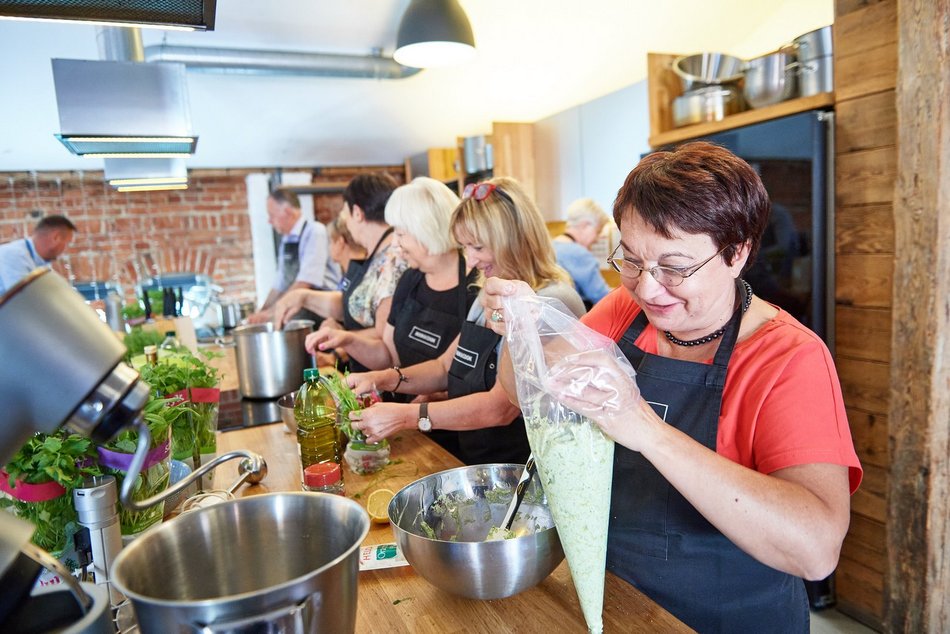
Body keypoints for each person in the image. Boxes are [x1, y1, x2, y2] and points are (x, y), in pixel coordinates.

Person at [483, 142, 862, 632]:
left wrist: (645, 428)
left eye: (676, 267)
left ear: (737, 253)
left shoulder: (789, 359)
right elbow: (525, 390)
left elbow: (816, 551)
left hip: (726, 618)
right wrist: (521, 331)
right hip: (617, 600)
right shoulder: (625, 314)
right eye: (632, 260)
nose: (647, 288)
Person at [345, 177, 585, 466]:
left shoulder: (551, 300)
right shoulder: (489, 290)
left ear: (513, 240)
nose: (470, 262)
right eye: (465, 248)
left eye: (478, 247)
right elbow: (446, 366)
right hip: (479, 463)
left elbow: (502, 406)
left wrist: (407, 417)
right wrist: (382, 378)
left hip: (527, 469)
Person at [273, 172, 408, 372]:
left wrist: (341, 336)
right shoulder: (377, 255)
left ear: (357, 213)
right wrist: (302, 297)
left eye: (344, 212)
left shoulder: (392, 261)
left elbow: (385, 337)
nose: (344, 219)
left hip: (385, 382)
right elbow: (356, 305)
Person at [247, 190, 339, 324]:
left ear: (288, 211)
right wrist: (262, 311)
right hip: (300, 308)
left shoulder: (314, 232)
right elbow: (279, 284)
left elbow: (306, 282)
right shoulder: (286, 241)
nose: (269, 221)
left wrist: (270, 313)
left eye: (272, 215)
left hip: (323, 311)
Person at [552, 197, 612, 309]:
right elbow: (603, 298)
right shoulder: (579, 254)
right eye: (598, 231)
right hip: (574, 320)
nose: (597, 239)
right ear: (585, 225)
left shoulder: (549, 246)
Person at [0, 214, 76, 295]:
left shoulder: (41, 262)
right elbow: (25, 299)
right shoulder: (13, 255)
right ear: (56, 237)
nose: (66, 249)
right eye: (67, 244)